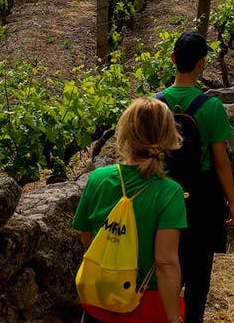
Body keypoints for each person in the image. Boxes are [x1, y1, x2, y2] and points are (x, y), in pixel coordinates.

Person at [72, 96, 187, 323]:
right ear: (168, 135)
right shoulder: (169, 192)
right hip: (146, 303)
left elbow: (88, 238)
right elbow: (165, 263)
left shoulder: (98, 179)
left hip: (100, 299)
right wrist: (174, 319)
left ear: (125, 132)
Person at [156, 32, 234, 323]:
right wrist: (231, 200)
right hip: (201, 199)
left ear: (173, 59)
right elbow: (221, 162)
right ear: (202, 63)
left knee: (164, 269)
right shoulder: (211, 107)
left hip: (162, 195)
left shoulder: (155, 105)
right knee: (198, 276)